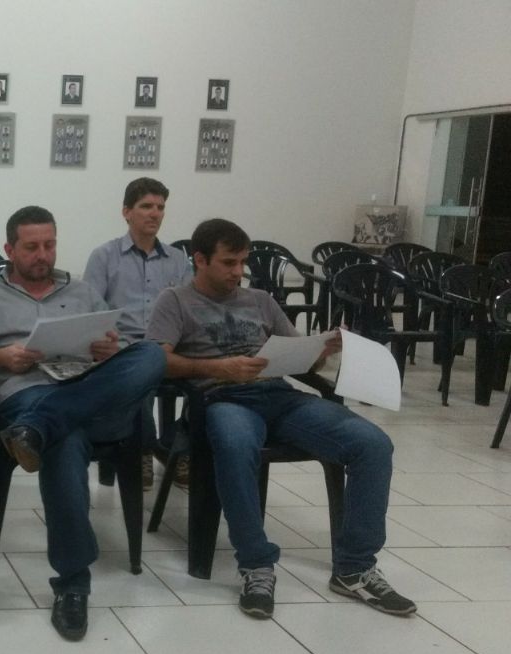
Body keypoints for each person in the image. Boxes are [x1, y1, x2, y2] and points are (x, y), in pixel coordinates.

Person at [146, 218, 416, 620]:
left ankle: (355, 567)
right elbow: (157, 360)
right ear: (199, 260)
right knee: (236, 446)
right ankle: (256, 564)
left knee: (373, 444)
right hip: (223, 399)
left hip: (279, 396)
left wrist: (323, 347)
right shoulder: (175, 301)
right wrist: (219, 368)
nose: (238, 271)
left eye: (243, 262)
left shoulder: (261, 301)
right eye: (228, 262)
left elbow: (296, 355)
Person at [0, 206, 166, 642]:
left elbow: (116, 344)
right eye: (31, 247)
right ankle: (74, 583)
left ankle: (40, 429)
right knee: (66, 441)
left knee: (151, 355)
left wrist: (108, 350)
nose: (43, 255)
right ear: (9, 249)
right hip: (27, 396)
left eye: (50, 244)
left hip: (81, 391)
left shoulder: (80, 291)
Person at [84, 178, 190, 487]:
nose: (155, 213)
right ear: (126, 212)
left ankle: (175, 446)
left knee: (209, 382)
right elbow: (91, 311)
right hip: (122, 347)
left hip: (167, 346)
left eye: (160, 207)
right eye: (146, 206)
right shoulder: (104, 256)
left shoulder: (178, 260)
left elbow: (189, 310)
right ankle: (142, 450)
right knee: (138, 373)